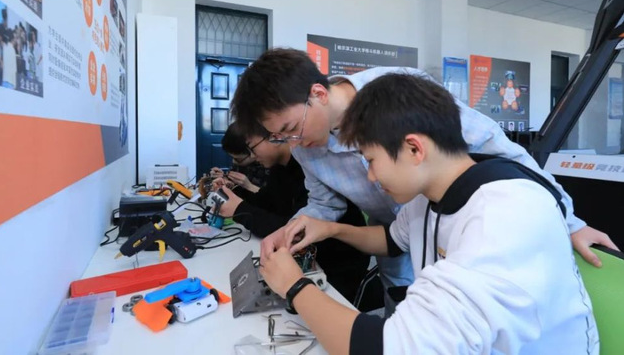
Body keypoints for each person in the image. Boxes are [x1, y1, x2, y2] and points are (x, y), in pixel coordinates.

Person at [231, 48, 616, 314]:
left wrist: (568, 220)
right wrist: (300, 225)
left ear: (317, 94)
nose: (293, 143)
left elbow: (497, 148)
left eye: (290, 129)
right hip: (400, 239)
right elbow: (327, 205)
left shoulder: (397, 95)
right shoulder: (306, 148)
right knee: (407, 312)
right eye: (279, 138)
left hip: (455, 235)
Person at [212, 121, 370, 302]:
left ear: (275, 136)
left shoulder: (307, 166)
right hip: (311, 260)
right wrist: (234, 195)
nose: (252, 157)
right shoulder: (279, 168)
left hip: (337, 263)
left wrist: (239, 209)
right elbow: (268, 204)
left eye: (252, 148)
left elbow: (293, 230)